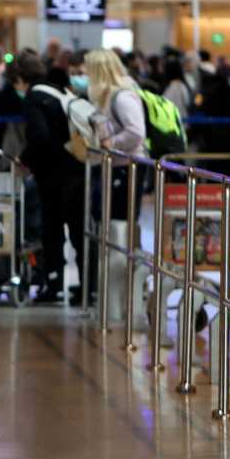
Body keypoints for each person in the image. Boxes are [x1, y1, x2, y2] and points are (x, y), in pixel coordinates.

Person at [10, 51, 99, 304]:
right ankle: (88, 288)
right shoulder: (62, 91)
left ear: (19, 78)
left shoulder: (34, 98)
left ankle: (55, 285)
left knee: (53, 231)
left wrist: (24, 158)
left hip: (53, 176)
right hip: (79, 169)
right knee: (80, 231)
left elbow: (39, 137)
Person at [77, 49, 148, 306]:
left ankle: (124, 292)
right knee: (110, 225)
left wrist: (110, 144)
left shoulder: (122, 96)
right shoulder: (106, 96)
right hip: (115, 167)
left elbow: (136, 132)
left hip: (126, 168)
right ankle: (113, 292)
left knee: (121, 226)